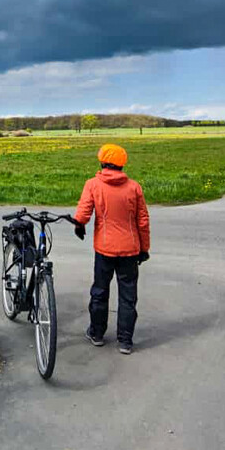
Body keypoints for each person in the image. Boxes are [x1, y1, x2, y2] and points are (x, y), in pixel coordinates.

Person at [69, 143, 150, 354]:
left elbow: (83, 212)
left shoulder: (93, 184)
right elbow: (142, 220)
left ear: (102, 161)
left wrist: (79, 225)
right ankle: (125, 341)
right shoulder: (134, 187)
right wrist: (144, 248)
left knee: (100, 291)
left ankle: (96, 333)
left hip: (104, 249)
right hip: (130, 250)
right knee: (128, 296)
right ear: (122, 164)